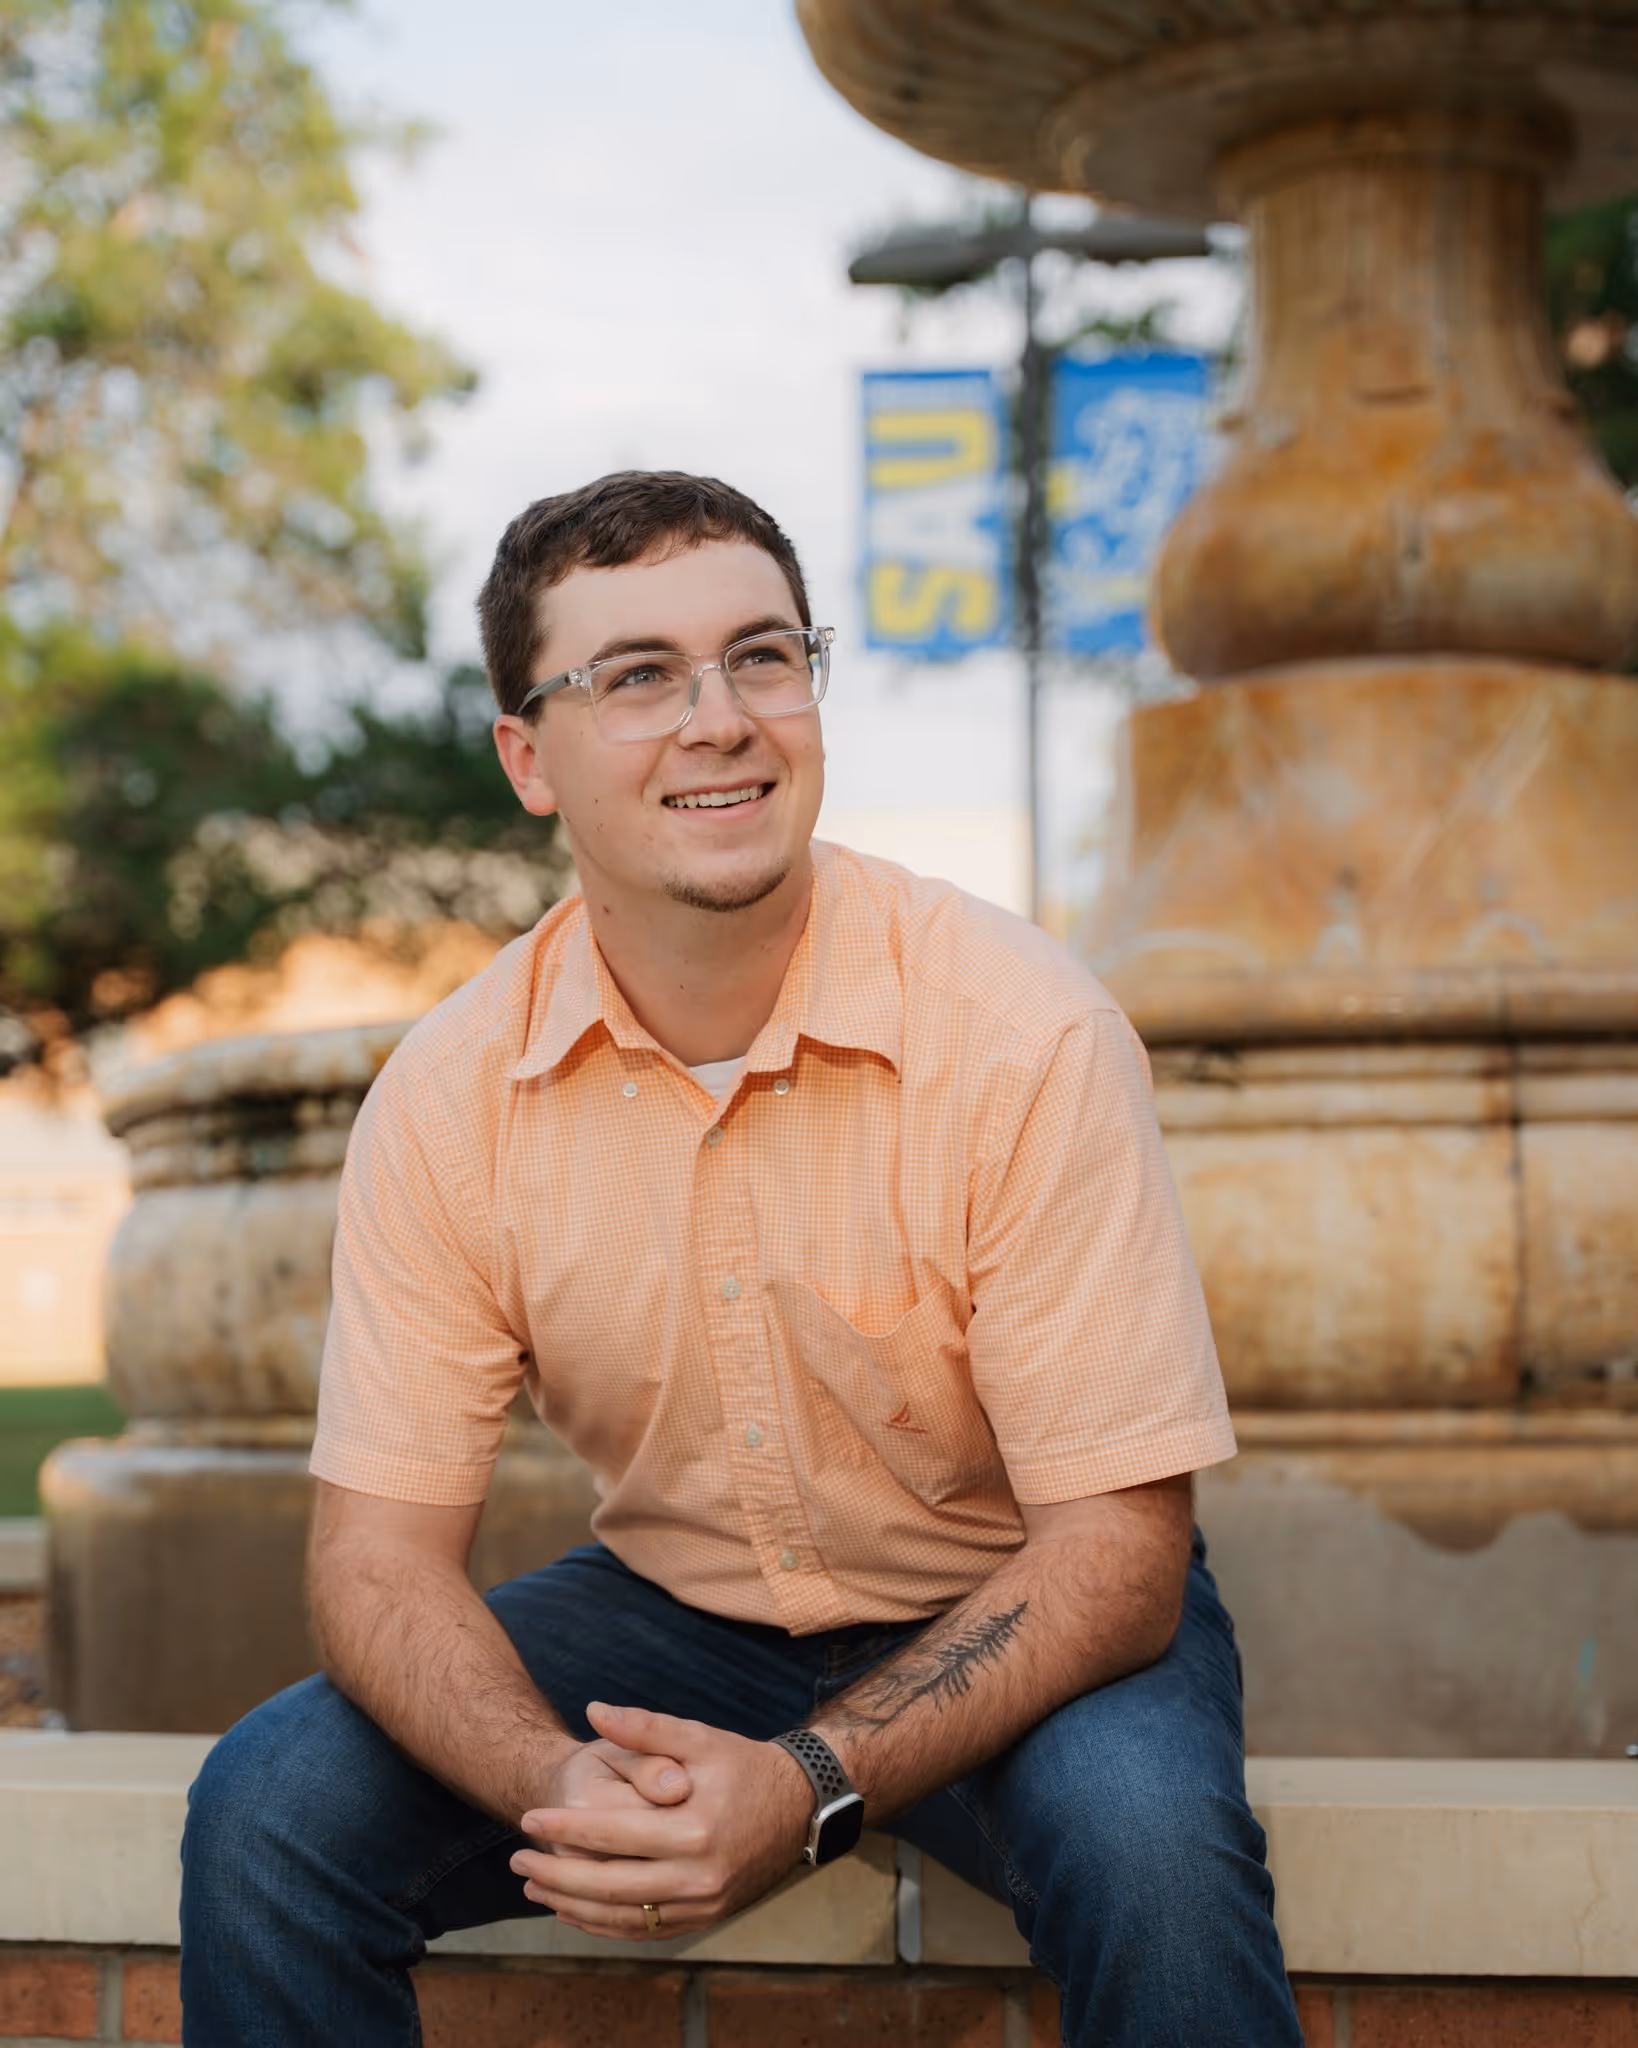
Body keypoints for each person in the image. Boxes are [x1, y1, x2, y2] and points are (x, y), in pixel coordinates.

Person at [179, 470, 1303, 2046]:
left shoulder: (1020, 1030)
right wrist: (551, 1781)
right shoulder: (448, 1097)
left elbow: (1116, 1560)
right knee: (269, 1808)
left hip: (1022, 1607)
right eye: (637, 676)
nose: (720, 718)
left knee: (1152, 1854)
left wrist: (805, 1786)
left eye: (763, 657)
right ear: (528, 758)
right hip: (673, 1620)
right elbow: (371, 1563)